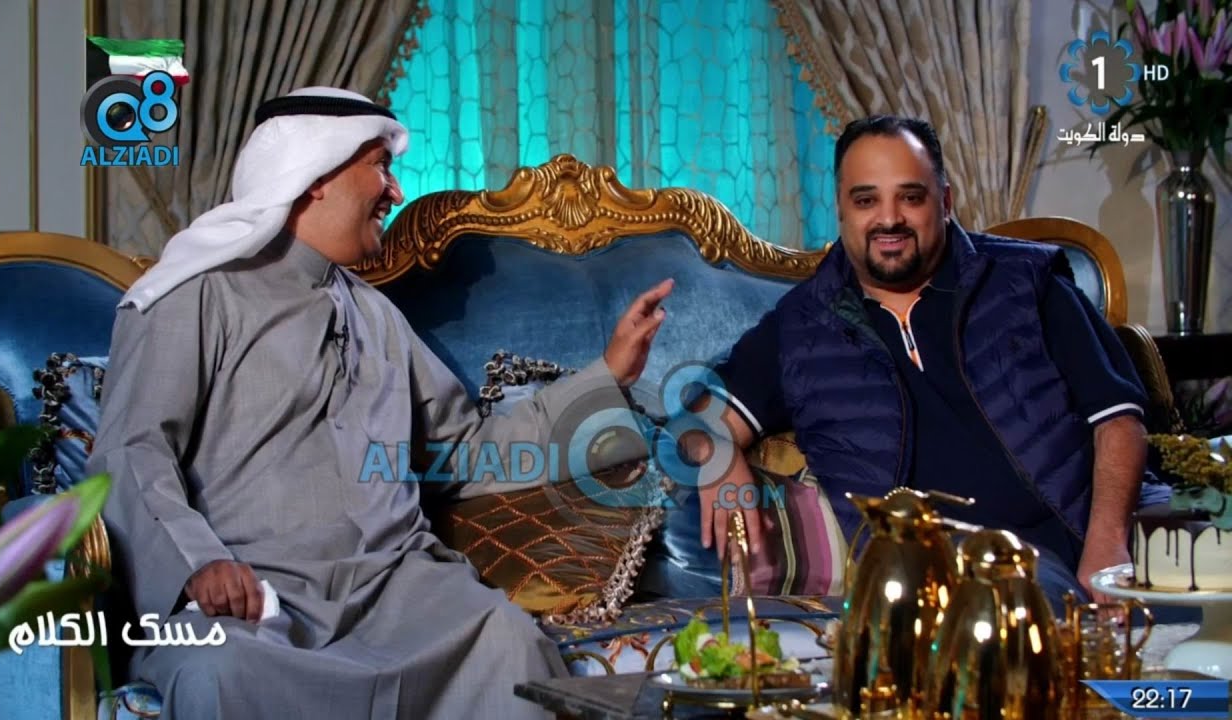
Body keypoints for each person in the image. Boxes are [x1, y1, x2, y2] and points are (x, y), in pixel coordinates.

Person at [89, 87, 673, 720]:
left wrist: (608, 377)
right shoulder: (194, 296)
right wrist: (199, 564)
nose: (395, 192)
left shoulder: (377, 316)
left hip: (399, 594)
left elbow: (464, 452)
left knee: (507, 645)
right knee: (215, 672)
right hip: (256, 598)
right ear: (314, 177)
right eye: (380, 167)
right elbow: (132, 450)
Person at [693, 115, 1169, 610]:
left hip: (1109, 531)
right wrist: (719, 460)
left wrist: (1107, 545)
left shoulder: (1026, 280)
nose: (889, 219)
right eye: (866, 200)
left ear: (945, 201)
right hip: (968, 569)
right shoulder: (800, 326)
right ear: (841, 209)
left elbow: (1118, 419)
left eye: (911, 197)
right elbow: (701, 420)